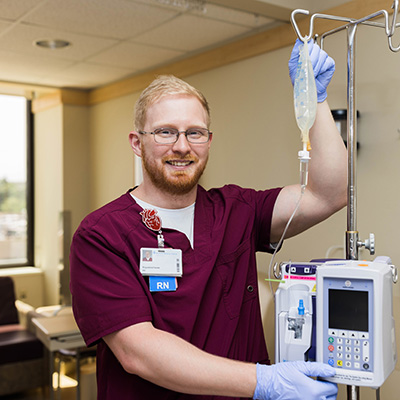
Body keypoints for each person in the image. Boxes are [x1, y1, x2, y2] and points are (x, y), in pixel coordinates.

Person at [70, 39, 347, 400]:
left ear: (209, 141)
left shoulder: (236, 210)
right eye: (165, 131)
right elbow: (138, 353)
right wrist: (265, 382)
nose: (182, 146)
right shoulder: (100, 235)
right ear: (137, 143)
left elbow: (331, 192)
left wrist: (315, 100)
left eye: (194, 133)